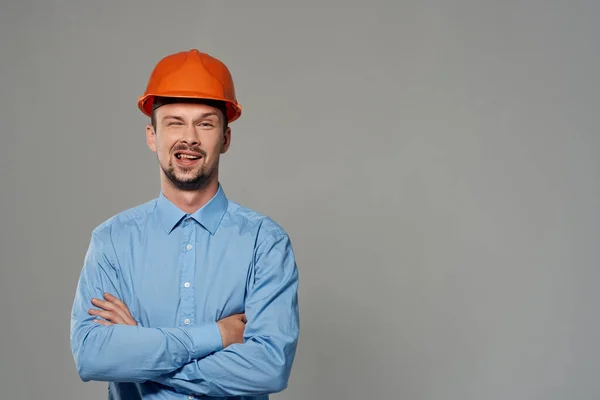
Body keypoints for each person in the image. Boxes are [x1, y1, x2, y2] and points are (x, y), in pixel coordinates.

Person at [69, 49, 300, 400]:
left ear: (225, 138)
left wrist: (142, 356)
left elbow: (269, 367)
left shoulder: (264, 242)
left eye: (205, 123)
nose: (189, 137)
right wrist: (218, 336)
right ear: (152, 136)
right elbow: (92, 355)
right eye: (174, 122)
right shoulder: (112, 241)